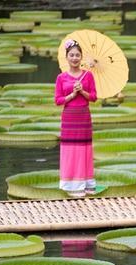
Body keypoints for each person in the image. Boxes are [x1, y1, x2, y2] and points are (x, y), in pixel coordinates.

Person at [55, 39, 98, 197]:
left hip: (83, 116)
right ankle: (69, 185)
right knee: (69, 150)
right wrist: (72, 94)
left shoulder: (88, 75)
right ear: (67, 57)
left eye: (77, 55)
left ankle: (84, 184)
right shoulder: (61, 77)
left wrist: (82, 92)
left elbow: (93, 97)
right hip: (69, 117)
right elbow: (58, 100)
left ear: (81, 57)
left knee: (83, 149)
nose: (74, 58)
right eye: (71, 55)